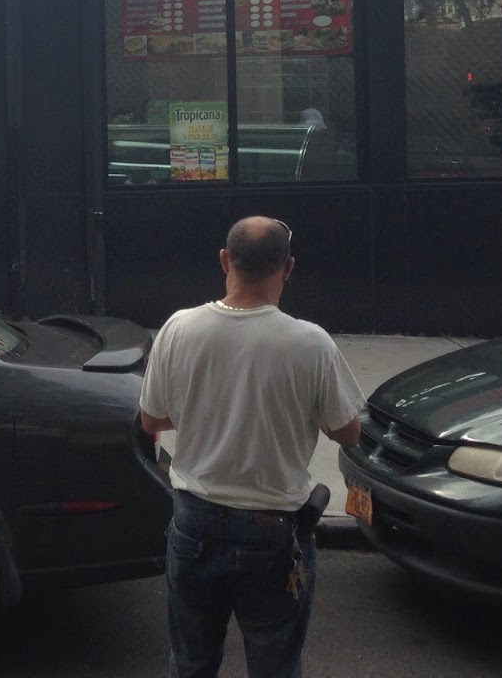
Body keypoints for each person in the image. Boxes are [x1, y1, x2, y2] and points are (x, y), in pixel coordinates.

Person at [139, 216, 363, 678]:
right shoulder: (311, 343)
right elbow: (348, 432)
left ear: (225, 260)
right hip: (274, 531)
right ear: (288, 268)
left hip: (194, 522)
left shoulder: (179, 328)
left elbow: (151, 419)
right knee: (275, 665)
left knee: (191, 663)